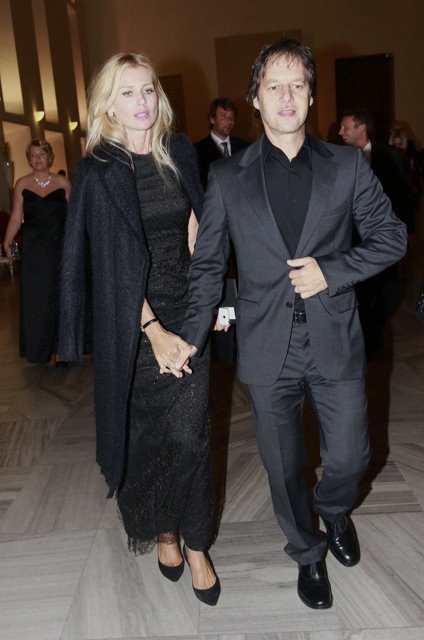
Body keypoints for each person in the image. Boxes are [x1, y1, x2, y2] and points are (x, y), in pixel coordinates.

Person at [178, 39, 407, 610]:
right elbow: (207, 265)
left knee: (351, 458)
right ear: (255, 99)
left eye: (297, 84)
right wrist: (189, 336)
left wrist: (333, 271)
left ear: (310, 95)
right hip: (265, 344)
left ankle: (333, 511)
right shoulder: (226, 177)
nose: (286, 95)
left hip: (334, 336)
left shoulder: (346, 166)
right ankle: (307, 553)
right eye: (273, 85)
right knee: (283, 469)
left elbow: (392, 237)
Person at [58, 52, 220, 606]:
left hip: (187, 312)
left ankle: (195, 543)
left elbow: (198, 231)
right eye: (127, 92)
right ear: (108, 105)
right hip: (133, 324)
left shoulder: (179, 151)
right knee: (149, 438)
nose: (141, 101)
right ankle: (164, 530)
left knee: (190, 435)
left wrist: (208, 305)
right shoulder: (98, 170)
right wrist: (153, 331)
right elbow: (102, 269)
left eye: (148, 89)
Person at [339, 108, 414, 357]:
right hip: (352, 240)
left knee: (390, 291)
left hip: (382, 236)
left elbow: (402, 194)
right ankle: (366, 341)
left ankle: (373, 332)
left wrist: (409, 229)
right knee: (361, 293)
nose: (341, 132)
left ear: (361, 128)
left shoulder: (387, 155)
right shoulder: (339, 157)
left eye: (346, 127)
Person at [3, 138, 71, 364]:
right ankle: (40, 349)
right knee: (38, 299)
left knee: (61, 296)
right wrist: (7, 241)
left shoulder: (62, 182)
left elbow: (74, 215)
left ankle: (62, 349)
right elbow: (16, 217)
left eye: (41, 154)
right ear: (29, 160)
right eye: (33, 155)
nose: (37, 159)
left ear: (49, 157)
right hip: (34, 249)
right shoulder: (22, 184)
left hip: (60, 245)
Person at [194, 97, 250, 189]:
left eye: (232, 116)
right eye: (224, 116)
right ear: (212, 119)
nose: (229, 120)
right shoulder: (198, 150)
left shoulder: (245, 147)